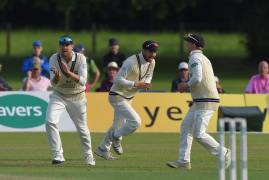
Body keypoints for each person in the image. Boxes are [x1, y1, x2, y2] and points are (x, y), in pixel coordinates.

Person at [167, 34, 230, 170]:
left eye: (189, 43)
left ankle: (224, 152)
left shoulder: (195, 57)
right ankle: (184, 161)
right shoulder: (202, 57)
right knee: (186, 127)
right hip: (201, 100)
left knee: (199, 134)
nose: (187, 45)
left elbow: (197, 77)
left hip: (206, 100)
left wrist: (185, 85)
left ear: (194, 45)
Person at [95, 40, 159, 160]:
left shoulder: (152, 62)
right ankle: (117, 137)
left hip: (129, 97)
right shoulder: (130, 62)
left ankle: (102, 148)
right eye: (151, 51)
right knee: (136, 122)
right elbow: (118, 80)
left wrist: (146, 83)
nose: (153, 54)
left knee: (116, 125)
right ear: (144, 50)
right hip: (117, 95)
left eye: (155, 52)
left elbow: (149, 75)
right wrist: (136, 84)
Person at [45, 35, 95, 166]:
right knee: (50, 121)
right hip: (59, 95)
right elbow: (53, 83)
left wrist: (68, 74)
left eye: (67, 44)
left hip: (77, 96)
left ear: (72, 46)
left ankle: (89, 156)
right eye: (62, 44)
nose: (64, 47)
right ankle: (58, 155)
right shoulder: (54, 58)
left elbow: (84, 81)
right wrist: (56, 77)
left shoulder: (80, 58)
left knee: (82, 129)